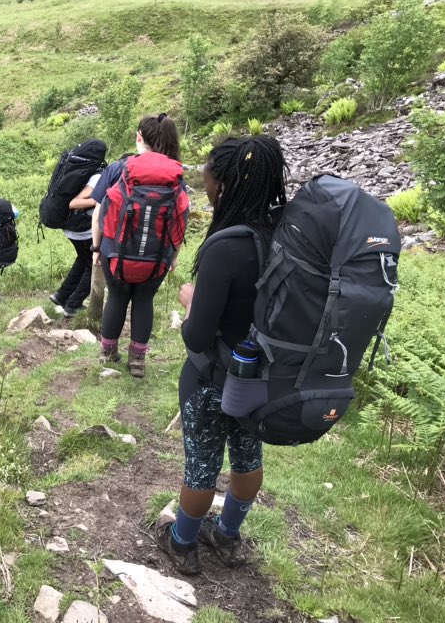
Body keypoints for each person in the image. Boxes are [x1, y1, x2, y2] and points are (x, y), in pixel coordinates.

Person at [154, 135, 287, 577]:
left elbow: (197, 336)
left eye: (207, 180)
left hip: (214, 377)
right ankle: (228, 535)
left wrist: (190, 297)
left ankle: (183, 541)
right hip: (264, 379)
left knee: (202, 464)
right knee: (248, 458)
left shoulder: (226, 247)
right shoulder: (286, 238)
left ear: (224, 186)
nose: (204, 187)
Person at [90, 114, 186, 377]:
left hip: (115, 252)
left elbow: (98, 214)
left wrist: (96, 249)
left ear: (139, 137)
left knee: (117, 296)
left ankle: (108, 353)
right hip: (157, 256)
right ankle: (137, 361)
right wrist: (173, 255)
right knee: (144, 300)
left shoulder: (118, 168)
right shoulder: (175, 173)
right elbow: (181, 217)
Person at [48, 159, 105, 318]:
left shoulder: (91, 173)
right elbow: (74, 203)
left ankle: (62, 296)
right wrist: (96, 201)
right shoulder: (98, 177)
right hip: (82, 228)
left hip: (74, 227)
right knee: (95, 263)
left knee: (83, 259)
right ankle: (72, 305)